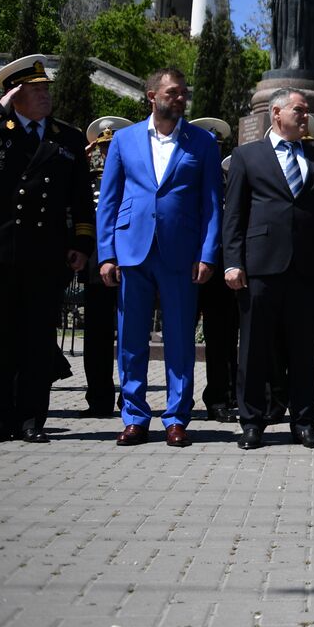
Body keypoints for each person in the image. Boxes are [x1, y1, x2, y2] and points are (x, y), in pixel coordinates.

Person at [0, 56, 93, 443]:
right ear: (15, 96)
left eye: (47, 88)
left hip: (44, 251)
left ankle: (32, 419)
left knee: (35, 337)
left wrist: (82, 243)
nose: (46, 95)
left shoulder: (66, 137)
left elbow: (80, 197)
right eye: (36, 90)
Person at [96, 68, 221, 449]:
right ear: (152, 96)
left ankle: (176, 417)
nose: (180, 98)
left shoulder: (202, 142)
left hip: (180, 253)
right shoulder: (124, 139)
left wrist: (208, 253)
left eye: (184, 92)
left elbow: (212, 205)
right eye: (173, 92)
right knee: (131, 339)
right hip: (133, 250)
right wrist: (106, 254)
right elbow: (110, 200)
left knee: (180, 339)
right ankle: (134, 416)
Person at [223, 88, 314, 449]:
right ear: (276, 113)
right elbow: (235, 216)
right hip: (261, 266)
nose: (305, 116)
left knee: (303, 350)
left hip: (305, 270)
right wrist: (232, 262)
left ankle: (304, 422)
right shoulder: (247, 156)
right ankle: (252, 422)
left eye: (306, 111)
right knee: (255, 348)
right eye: (299, 110)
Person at [190, 117, 240, 424]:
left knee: (222, 340)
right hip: (186, 267)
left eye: (217, 147)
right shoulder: (184, 178)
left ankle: (220, 398)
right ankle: (178, 398)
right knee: (180, 337)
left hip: (220, 270)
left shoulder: (230, 181)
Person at [80, 116, 131, 418]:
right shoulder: (87, 179)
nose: (108, 152)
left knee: (129, 334)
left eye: (113, 146)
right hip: (95, 264)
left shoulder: (134, 177)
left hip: (129, 263)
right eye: (103, 147)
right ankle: (98, 397)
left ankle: (130, 397)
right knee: (96, 335)